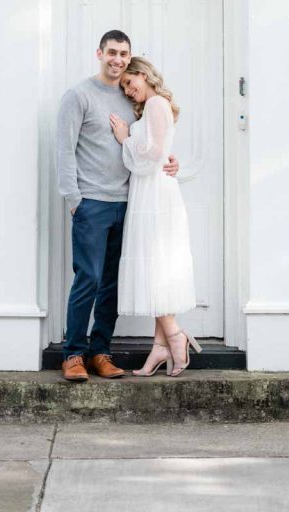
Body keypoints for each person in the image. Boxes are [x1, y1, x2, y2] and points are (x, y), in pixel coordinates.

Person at [56, 31, 179, 383]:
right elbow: (64, 150)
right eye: (112, 52)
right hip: (92, 202)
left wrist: (171, 161)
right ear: (99, 53)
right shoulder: (78, 95)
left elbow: (151, 142)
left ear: (130, 58)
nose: (118, 59)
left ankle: (100, 353)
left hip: (130, 203)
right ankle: (74, 355)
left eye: (124, 54)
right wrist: (73, 198)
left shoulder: (133, 97)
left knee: (112, 283)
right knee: (88, 279)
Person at [110, 57, 201, 377]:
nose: (128, 90)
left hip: (155, 195)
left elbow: (152, 154)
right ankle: (160, 347)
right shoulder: (153, 106)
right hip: (147, 191)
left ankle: (176, 336)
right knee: (154, 266)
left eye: (129, 82)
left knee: (155, 266)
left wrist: (125, 139)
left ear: (142, 74)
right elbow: (159, 151)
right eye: (123, 88)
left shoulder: (157, 104)